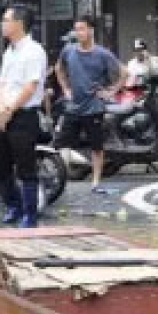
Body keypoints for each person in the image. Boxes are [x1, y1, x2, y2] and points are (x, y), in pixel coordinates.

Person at [0, 7, 48, 228]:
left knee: (26, 169)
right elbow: (1, 83)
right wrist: (1, 110)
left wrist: (10, 110)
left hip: (24, 116)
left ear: (19, 23)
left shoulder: (34, 51)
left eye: (6, 20)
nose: (3, 24)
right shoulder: (9, 52)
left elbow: (31, 86)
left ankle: (30, 215)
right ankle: (14, 205)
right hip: (5, 115)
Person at [54, 17, 125, 193]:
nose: (79, 33)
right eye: (76, 29)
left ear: (91, 31)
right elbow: (58, 68)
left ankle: (95, 182)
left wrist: (111, 92)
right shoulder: (68, 50)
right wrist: (65, 88)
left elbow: (124, 73)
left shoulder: (102, 54)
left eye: (82, 29)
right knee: (61, 144)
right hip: (73, 106)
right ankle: (59, 179)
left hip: (94, 107)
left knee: (96, 147)